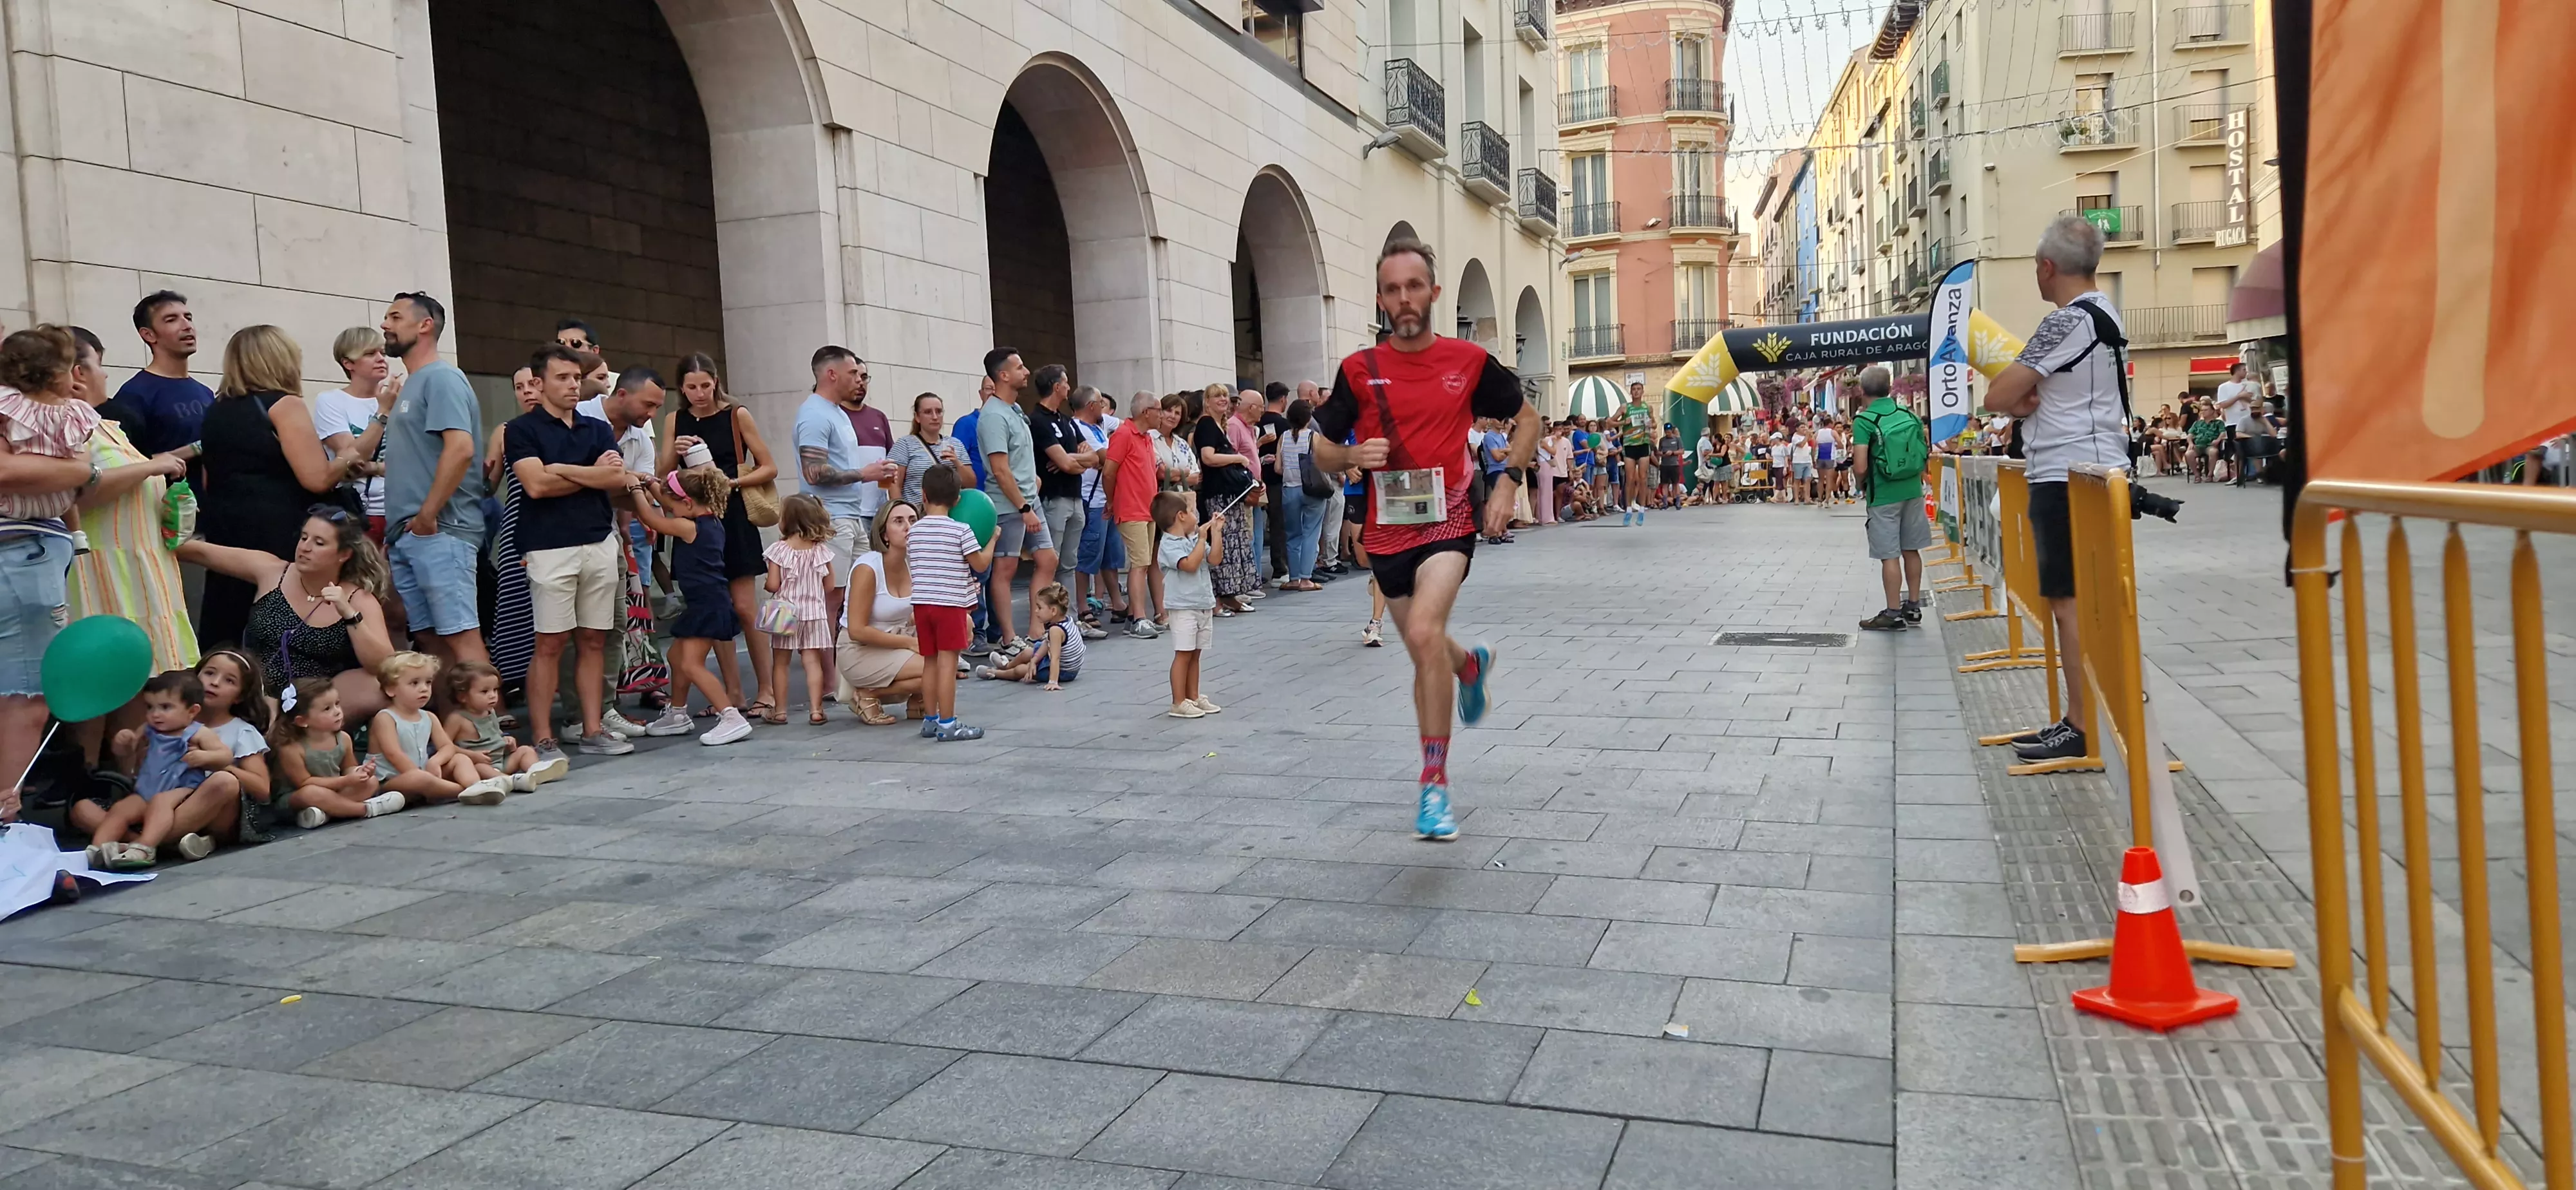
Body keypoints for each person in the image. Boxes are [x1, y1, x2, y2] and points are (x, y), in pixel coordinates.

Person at [1310, 238, 1530, 842]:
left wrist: (1508, 480)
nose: (1403, 298)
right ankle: (1469, 665)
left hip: (1449, 522)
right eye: (1391, 289)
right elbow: (1320, 448)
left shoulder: (1468, 361)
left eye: (1414, 286)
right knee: (1425, 650)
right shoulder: (1359, 369)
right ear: (1380, 299)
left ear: (1434, 293)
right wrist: (1352, 454)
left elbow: (1528, 418)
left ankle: (1434, 785)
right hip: (1386, 535)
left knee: (1425, 635)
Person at [1981, 214, 2135, 764]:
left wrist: (2019, 399)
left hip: (2065, 473)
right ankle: (2091, 714)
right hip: (2096, 470)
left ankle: (2081, 723)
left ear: (2047, 268)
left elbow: (1999, 394)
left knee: (2069, 604)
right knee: (2085, 603)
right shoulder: (2106, 312)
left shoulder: (2066, 321)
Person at [506, 343, 636, 761]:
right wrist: (591, 475)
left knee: (594, 639)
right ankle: (543, 738)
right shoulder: (522, 430)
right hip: (547, 547)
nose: (571, 385)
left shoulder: (596, 429)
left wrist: (561, 469)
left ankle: (593, 728)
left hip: (599, 540)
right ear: (540, 383)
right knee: (550, 642)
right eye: (562, 378)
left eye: (576, 379)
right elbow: (536, 486)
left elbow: (615, 481)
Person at [0, 326, 106, 823]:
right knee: (26, 692)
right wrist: (77, 472)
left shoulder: (50, 413)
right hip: (25, 543)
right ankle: (6, 811)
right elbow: (79, 471)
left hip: (38, 541)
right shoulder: (44, 413)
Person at [196, 325, 345, 649]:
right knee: (281, 621)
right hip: (278, 528)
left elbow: (209, 477)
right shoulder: (285, 405)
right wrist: (349, 457)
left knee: (228, 620)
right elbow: (316, 478)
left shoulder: (216, 411)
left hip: (226, 530)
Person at [182, 507, 397, 724]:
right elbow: (202, 553)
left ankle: (299, 733)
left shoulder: (357, 599)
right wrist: (157, 536)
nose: (305, 547)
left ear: (344, 555)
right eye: (304, 538)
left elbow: (385, 667)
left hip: (312, 703)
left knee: (376, 685)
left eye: (319, 543)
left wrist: (350, 615)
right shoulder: (273, 572)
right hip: (256, 690)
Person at [65, 326, 195, 677]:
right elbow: (80, 494)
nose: (105, 374)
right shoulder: (70, 426)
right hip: (104, 569)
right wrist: (153, 466)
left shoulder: (107, 424)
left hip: (142, 566)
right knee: (101, 680)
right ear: (79, 372)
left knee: (139, 678)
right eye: (99, 364)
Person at [379, 292, 489, 668]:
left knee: (461, 637)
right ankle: (455, 726)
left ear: (425, 325)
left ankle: (491, 725)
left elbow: (460, 449)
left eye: (395, 317)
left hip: (442, 531)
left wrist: (427, 516)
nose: (385, 325)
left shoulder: (442, 378)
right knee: (430, 644)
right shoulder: (410, 385)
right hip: (410, 534)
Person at [663, 354, 777, 710]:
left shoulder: (735, 415)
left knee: (744, 606)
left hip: (734, 513)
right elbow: (662, 471)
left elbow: (769, 466)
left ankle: (767, 690)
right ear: (681, 388)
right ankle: (733, 693)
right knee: (716, 607)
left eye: (705, 385)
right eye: (692, 387)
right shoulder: (674, 420)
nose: (699, 393)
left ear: (716, 382)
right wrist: (677, 450)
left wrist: (734, 482)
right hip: (697, 518)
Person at [629, 464, 753, 745]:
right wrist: (651, 482)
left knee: (692, 664)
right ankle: (677, 713)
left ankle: (731, 716)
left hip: (707, 605)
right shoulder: (710, 520)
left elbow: (651, 517)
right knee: (677, 658)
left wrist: (635, 487)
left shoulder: (688, 527)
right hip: (706, 603)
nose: (669, 510)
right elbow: (666, 502)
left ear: (687, 503)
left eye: (673, 505)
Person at [87, 671, 236, 869]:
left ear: (192, 711)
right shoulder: (149, 729)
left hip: (182, 788)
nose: (155, 714)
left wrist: (205, 757)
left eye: (166, 707)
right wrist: (124, 742)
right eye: (150, 707)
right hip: (147, 789)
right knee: (121, 809)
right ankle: (98, 848)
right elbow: (125, 752)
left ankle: (145, 847)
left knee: (160, 803)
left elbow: (225, 756)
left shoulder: (197, 733)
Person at [795, 346, 893, 638]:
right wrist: (866, 474)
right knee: (832, 599)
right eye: (852, 373)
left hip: (849, 517)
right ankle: (828, 679)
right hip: (832, 519)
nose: (859, 379)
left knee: (866, 592)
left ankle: (851, 666)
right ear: (832, 374)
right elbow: (813, 472)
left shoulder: (835, 412)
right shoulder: (814, 414)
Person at [906, 465, 993, 741]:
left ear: (923, 494)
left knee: (929, 662)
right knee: (949, 663)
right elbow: (979, 564)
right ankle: (948, 723)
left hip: (922, 605)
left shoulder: (914, 531)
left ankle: (930, 719)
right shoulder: (961, 530)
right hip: (950, 604)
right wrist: (991, 540)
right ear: (958, 499)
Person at [974, 348, 1050, 654]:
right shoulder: (992, 416)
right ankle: (1008, 638)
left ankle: (1036, 627)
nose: (1026, 372)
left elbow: (1017, 460)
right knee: (1005, 570)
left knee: (1048, 560)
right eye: (1020, 367)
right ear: (1003, 375)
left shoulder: (1014, 410)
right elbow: (1000, 470)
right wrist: (1023, 507)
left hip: (1030, 499)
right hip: (1010, 506)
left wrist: (1032, 480)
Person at [368, 652, 508, 806]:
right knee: (421, 779)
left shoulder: (429, 716)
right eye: (414, 683)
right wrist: (421, 774)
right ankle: (466, 790)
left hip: (424, 775)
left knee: (460, 759)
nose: (424, 689)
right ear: (391, 690)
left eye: (428, 682)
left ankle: (475, 786)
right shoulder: (386, 718)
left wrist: (436, 761)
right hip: (391, 781)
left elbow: (447, 746)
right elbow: (393, 754)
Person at [1851, 368, 1932, 631]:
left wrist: (1862, 486)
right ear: (1890, 388)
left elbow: (1861, 466)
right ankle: (1914, 606)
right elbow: (1922, 453)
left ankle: (1893, 613)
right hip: (1912, 490)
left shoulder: (1865, 421)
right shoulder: (1909, 415)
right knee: (1911, 549)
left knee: (1890, 556)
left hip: (1884, 494)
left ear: (1862, 391)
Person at [271, 677, 406, 827]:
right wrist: (346, 781)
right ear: (302, 721)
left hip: (333, 792)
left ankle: (327, 813)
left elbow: (348, 767)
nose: (337, 712)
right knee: (311, 793)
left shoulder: (343, 738)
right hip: (298, 798)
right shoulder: (291, 748)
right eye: (327, 709)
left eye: (337, 704)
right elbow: (304, 783)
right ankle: (367, 809)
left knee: (371, 782)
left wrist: (360, 772)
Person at [837, 499, 925, 725]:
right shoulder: (868, 568)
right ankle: (868, 694)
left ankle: (918, 700)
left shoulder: (915, 562)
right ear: (884, 534)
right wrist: (908, 643)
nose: (909, 527)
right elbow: (857, 630)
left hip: (899, 638)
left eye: (913, 520)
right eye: (899, 521)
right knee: (937, 668)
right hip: (860, 649)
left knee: (958, 632)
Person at [108, 292, 212, 476]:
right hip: (166, 501)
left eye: (188, 318)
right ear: (148, 335)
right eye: (171, 320)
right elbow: (126, 465)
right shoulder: (134, 394)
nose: (187, 326)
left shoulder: (206, 392)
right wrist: (192, 450)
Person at [310, 327, 397, 541]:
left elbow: (415, 463)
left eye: (382, 353)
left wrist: (374, 468)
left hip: (402, 513)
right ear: (348, 363)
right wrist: (383, 413)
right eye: (370, 354)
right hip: (358, 513)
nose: (380, 359)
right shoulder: (331, 401)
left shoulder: (399, 401)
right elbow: (352, 458)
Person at [760, 493, 837, 726]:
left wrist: (767, 583)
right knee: (812, 661)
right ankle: (816, 710)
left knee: (781, 664)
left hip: (785, 613)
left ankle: (781, 711)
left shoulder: (779, 550)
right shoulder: (821, 550)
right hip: (814, 613)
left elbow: (774, 585)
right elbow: (830, 585)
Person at [1027, 365, 1097, 596]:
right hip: (1053, 498)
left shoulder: (1067, 420)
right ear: (1057, 387)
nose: (1069, 387)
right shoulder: (1037, 420)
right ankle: (1047, 617)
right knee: (1051, 561)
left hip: (1076, 497)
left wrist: (1069, 458)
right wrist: (1071, 461)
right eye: (1066, 383)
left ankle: (1070, 618)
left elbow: (1095, 457)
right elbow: (1067, 464)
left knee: (1070, 562)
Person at [1191, 386, 1259, 615]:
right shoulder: (1207, 424)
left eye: (1225, 397)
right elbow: (1208, 457)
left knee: (1235, 545)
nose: (1223, 400)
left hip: (1230, 493)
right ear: (1207, 401)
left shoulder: (1220, 425)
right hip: (1219, 495)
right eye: (1217, 396)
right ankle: (1218, 599)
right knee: (1223, 545)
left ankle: (1230, 595)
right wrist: (1238, 458)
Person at [1101, 393, 1164, 639]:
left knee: (1144, 564)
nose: (1162, 414)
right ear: (1146, 412)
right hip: (1131, 509)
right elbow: (1109, 472)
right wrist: (1111, 500)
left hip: (1147, 510)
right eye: (1158, 409)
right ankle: (1139, 618)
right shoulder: (1124, 434)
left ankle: (1134, 618)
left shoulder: (1146, 437)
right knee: (1139, 565)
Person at [1155, 491, 1220, 718]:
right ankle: (1178, 701)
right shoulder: (1169, 545)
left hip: (1202, 602)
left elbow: (1214, 559)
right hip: (1182, 606)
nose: (1196, 516)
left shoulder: (1193, 541)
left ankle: (1193, 696)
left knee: (1196, 654)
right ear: (1181, 516)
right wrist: (1202, 539)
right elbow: (1190, 565)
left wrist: (1216, 534)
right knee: (1183, 653)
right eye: (1192, 511)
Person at [442, 661, 547, 791]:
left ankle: (535, 772)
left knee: (526, 750)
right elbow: (444, 747)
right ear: (463, 696)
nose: (493, 695)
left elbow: (495, 733)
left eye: (495, 690)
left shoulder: (490, 711)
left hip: (502, 760)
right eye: (485, 691)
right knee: (480, 767)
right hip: (480, 765)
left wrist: (506, 738)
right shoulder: (457, 719)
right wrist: (472, 755)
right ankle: (510, 781)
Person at [1068, 388, 1124, 632]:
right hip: (1091, 502)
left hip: (1108, 499)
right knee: (1087, 556)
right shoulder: (1078, 428)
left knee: (1110, 556)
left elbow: (1127, 427)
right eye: (1101, 404)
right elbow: (1106, 457)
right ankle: (1083, 606)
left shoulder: (1099, 425)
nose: (1104, 408)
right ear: (1091, 406)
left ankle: (1118, 603)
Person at [975, 581, 1083, 688]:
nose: (1036, 611)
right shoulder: (1066, 620)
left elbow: (1055, 658)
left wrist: (1053, 682)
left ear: (1053, 611)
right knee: (1027, 652)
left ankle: (996, 673)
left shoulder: (1056, 630)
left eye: (1040, 608)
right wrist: (1034, 660)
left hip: (1064, 671)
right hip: (1060, 664)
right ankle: (1006, 666)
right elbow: (1047, 643)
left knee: (1021, 670)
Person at [887, 392, 974, 507]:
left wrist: (957, 463)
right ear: (917, 417)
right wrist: (902, 512)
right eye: (928, 412)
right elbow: (894, 485)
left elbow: (971, 484)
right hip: (918, 513)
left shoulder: (956, 444)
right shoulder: (905, 444)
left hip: (951, 513)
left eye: (939, 412)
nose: (935, 417)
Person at [2213, 361, 2258, 488]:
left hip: (2249, 420)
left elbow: (2254, 401)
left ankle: (2255, 473)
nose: (2245, 372)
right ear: (2237, 371)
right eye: (2243, 370)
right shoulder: (2224, 387)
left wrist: (2247, 398)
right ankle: (2238, 476)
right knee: (2237, 449)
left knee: (2252, 446)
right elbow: (2223, 405)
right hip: (2233, 421)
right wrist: (2238, 397)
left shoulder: (2248, 385)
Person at [1618, 381, 1656, 518]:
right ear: (1631, 392)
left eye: (1639, 389)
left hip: (1643, 444)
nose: (1636, 392)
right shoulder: (1625, 407)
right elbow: (1610, 422)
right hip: (1629, 445)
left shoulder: (1648, 407)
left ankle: (1642, 508)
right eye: (1634, 389)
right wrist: (1623, 422)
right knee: (1630, 478)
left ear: (1643, 391)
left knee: (1643, 478)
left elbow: (1655, 424)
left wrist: (1651, 424)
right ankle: (1628, 508)